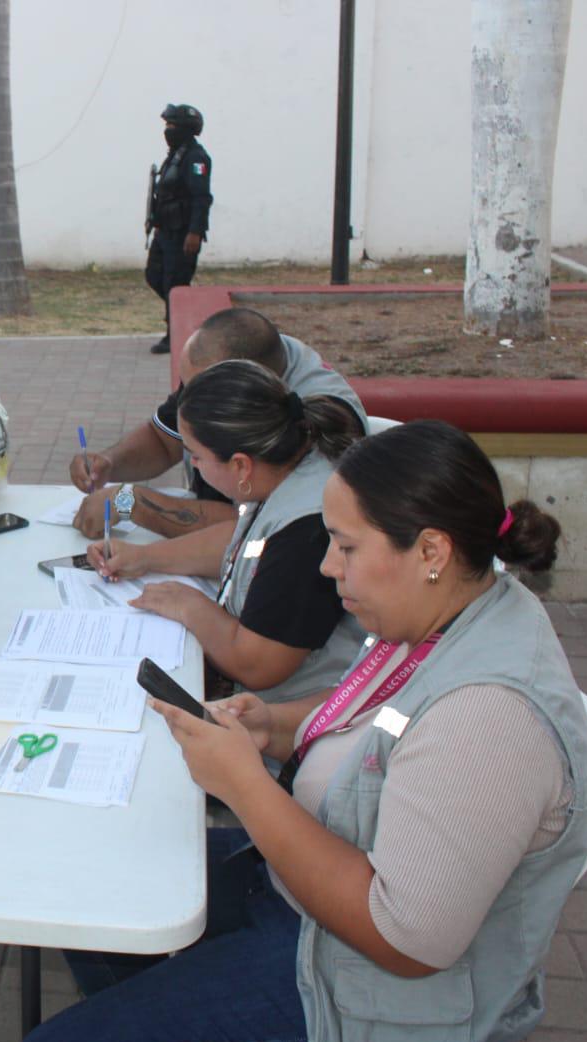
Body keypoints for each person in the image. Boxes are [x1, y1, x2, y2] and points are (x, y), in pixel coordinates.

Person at [19, 420, 587, 1042]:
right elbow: (389, 715)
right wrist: (274, 724)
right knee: (88, 889)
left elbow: (402, 940)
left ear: (430, 551)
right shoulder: (457, 607)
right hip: (315, 885)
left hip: (368, 989)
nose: (326, 565)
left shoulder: (489, 720)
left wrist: (243, 783)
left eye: (345, 547)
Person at [88, 360, 365, 704]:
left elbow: (258, 665)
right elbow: (246, 542)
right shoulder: (291, 463)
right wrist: (144, 557)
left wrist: (191, 607)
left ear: (239, 464)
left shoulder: (306, 530)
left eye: (197, 458)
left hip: (296, 718)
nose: (196, 469)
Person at [71, 307, 365, 539]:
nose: (193, 460)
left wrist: (129, 502)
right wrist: (109, 463)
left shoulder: (322, 427)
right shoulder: (221, 362)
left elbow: (252, 532)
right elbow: (164, 441)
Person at [145, 103, 213, 355]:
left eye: (173, 125)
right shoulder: (174, 155)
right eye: (167, 125)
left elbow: (201, 197)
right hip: (165, 230)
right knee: (154, 276)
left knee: (175, 283)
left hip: (183, 233)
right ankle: (187, 315)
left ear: (186, 129)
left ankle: (176, 333)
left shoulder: (196, 158)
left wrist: (195, 231)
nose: (168, 130)